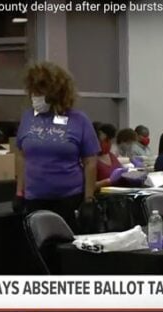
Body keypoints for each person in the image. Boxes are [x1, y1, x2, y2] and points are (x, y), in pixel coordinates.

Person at [15, 62, 99, 233]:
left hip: (69, 198)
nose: (35, 96)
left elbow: (90, 161)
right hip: (34, 199)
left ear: (56, 93)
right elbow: (21, 156)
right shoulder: (28, 118)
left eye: (40, 91)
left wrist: (88, 199)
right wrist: (19, 192)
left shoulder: (79, 120)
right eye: (33, 91)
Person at [94, 123, 127, 188]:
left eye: (109, 140)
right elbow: (88, 187)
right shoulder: (90, 160)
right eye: (105, 140)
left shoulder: (111, 155)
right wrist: (108, 181)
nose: (108, 143)